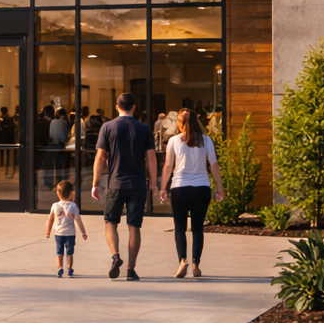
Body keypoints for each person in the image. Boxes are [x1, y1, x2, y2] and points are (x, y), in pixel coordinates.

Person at [91, 92, 156, 281]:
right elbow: (151, 157)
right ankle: (131, 270)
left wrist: (95, 183)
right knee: (134, 227)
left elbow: (100, 157)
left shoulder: (107, 127)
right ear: (134, 107)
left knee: (110, 223)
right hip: (137, 184)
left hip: (115, 184)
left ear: (116, 107)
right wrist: (153, 181)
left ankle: (115, 256)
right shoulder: (144, 128)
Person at [158, 108, 225, 279]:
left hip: (180, 188)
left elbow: (168, 166)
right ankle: (195, 264)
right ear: (197, 121)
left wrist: (163, 187)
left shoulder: (173, 141)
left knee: (180, 227)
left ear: (180, 123)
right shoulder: (207, 141)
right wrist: (219, 188)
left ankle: (182, 261)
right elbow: (214, 165)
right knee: (197, 228)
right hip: (201, 187)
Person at [45, 179, 89, 277]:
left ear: (58, 193)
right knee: (69, 252)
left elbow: (50, 219)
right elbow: (78, 219)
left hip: (59, 233)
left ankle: (60, 267)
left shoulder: (55, 205)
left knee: (59, 251)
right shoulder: (73, 206)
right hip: (70, 233)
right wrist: (83, 232)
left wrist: (48, 231)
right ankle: (69, 268)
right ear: (71, 193)